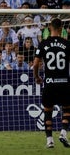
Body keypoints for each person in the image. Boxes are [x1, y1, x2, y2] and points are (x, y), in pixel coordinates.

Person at [33, 18, 70, 148]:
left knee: (48, 111)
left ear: (49, 27)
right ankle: (64, 133)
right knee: (67, 109)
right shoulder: (67, 44)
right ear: (61, 29)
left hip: (49, 83)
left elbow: (36, 63)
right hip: (64, 83)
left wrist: (37, 77)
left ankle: (49, 140)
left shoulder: (43, 43)